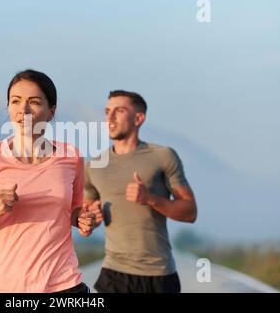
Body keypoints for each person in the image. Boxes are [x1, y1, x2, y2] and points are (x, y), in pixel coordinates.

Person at [0, 69, 97, 293]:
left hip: (65, 284)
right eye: (15, 101)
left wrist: (83, 220)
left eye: (33, 102)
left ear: (50, 112)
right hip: (9, 287)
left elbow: (74, 211)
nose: (23, 109)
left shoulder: (71, 156)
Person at [85, 90, 198, 293]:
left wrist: (151, 198)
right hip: (114, 273)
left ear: (138, 118)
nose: (109, 117)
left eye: (118, 111)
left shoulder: (163, 156)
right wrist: (90, 218)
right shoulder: (94, 165)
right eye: (107, 111)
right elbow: (84, 217)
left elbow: (190, 212)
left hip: (159, 274)